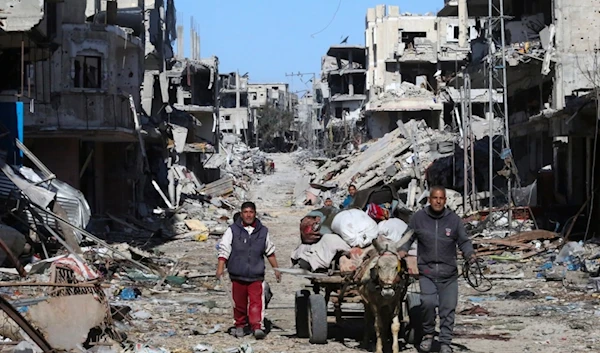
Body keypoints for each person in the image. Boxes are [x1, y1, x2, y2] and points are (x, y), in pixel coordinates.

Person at [398, 186, 476, 353]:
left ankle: (445, 342)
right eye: (435, 198)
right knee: (428, 303)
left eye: (441, 198)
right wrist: (402, 250)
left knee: (448, 309)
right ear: (429, 199)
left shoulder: (453, 220)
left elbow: (464, 241)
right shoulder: (418, 218)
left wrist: (470, 254)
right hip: (427, 271)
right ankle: (428, 335)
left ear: (445, 200)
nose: (438, 201)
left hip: (449, 274)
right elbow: (408, 237)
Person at [216, 202, 281, 340]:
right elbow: (224, 249)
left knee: (257, 301)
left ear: (255, 214)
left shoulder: (263, 231)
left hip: (256, 274)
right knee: (239, 303)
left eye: (251, 212)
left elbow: (269, 251)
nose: (248, 215)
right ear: (241, 214)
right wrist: (220, 268)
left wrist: (276, 269)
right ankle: (240, 326)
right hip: (237, 273)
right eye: (245, 212)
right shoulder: (232, 230)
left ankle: (257, 326)